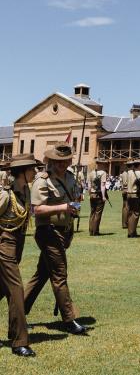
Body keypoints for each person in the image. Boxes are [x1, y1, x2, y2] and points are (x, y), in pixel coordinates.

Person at [23, 142, 86, 335]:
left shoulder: (70, 177)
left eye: (65, 161)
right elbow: (36, 209)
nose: (61, 164)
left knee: (42, 274)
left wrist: (76, 202)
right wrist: (64, 207)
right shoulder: (43, 180)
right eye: (57, 161)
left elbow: (75, 198)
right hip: (48, 232)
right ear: (51, 160)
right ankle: (69, 319)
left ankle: (18, 313)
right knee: (59, 274)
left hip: (64, 232)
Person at [0, 155, 38, 356]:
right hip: (4, 244)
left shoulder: (26, 191)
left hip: (18, 243)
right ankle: (19, 341)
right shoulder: (7, 195)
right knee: (16, 290)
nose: (35, 172)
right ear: (22, 171)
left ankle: (14, 331)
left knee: (2, 290)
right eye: (32, 169)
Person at [87, 158, 108, 236]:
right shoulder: (103, 173)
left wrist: (89, 194)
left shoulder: (91, 173)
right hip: (99, 195)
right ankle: (95, 231)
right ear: (101, 164)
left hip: (92, 194)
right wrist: (103, 196)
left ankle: (91, 230)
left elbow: (88, 186)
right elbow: (103, 186)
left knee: (92, 213)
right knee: (98, 213)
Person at [126, 159, 140, 238]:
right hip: (136, 196)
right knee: (135, 214)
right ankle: (131, 233)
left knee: (130, 214)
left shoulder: (128, 173)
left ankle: (131, 231)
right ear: (139, 165)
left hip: (129, 195)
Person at [120, 164, 130, 229]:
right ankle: (126, 223)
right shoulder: (127, 173)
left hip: (124, 190)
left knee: (124, 207)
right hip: (127, 190)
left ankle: (124, 223)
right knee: (127, 207)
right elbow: (126, 183)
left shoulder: (123, 173)